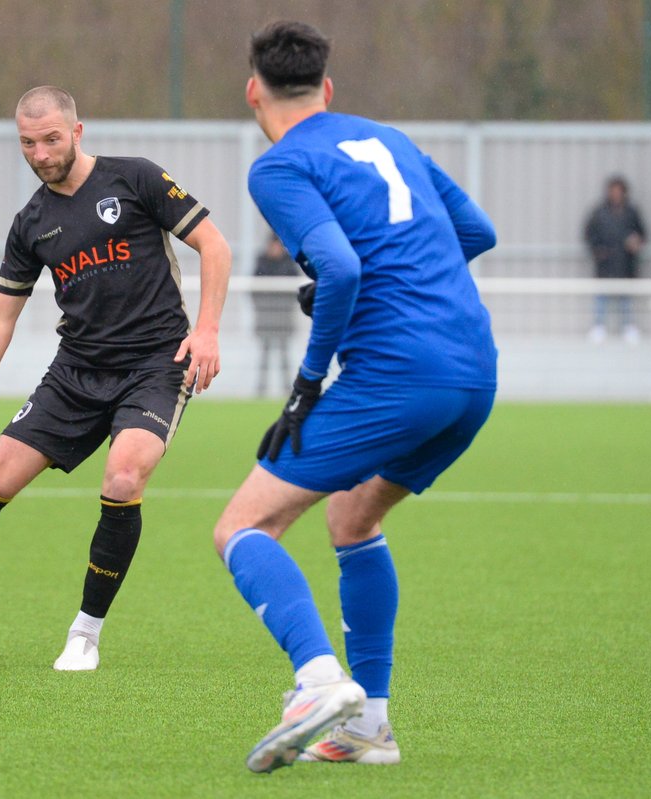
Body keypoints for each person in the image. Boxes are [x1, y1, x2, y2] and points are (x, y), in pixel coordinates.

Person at [214, 21, 498, 772]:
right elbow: (477, 230)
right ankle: (370, 725)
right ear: (328, 89)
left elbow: (338, 269)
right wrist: (412, 283)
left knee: (242, 526)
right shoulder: (390, 139)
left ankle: (315, 678)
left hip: (397, 375)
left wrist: (306, 386)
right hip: (473, 373)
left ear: (254, 91)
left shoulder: (278, 166)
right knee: (353, 513)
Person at [0, 86, 232, 671]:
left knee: (123, 476)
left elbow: (213, 246)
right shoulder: (32, 223)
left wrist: (210, 330)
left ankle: (85, 633)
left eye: (50, 139)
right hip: (76, 371)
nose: (40, 154)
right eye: (27, 142)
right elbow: (0, 315)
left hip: (155, 364)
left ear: (77, 131)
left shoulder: (136, 179)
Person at [583, 175, 646, 344]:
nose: (616, 194)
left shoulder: (631, 212)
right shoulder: (599, 212)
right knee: (601, 295)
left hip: (626, 263)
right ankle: (599, 327)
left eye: (619, 191)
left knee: (626, 296)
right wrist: (598, 250)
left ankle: (628, 327)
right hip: (605, 263)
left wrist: (636, 242)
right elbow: (588, 234)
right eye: (613, 191)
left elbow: (642, 233)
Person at [252, 233, 299, 396]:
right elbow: (253, 291)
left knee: (284, 355)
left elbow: (296, 291)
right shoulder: (262, 263)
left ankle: (287, 389)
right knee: (265, 355)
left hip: (284, 319)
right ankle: (261, 388)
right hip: (266, 319)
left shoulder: (288, 264)